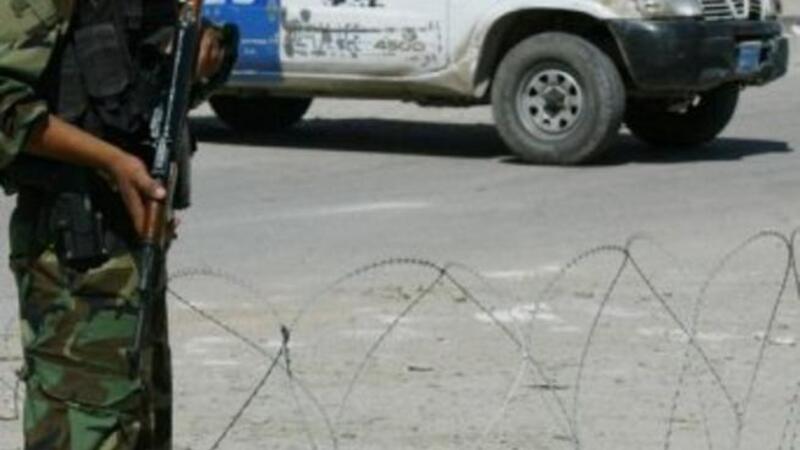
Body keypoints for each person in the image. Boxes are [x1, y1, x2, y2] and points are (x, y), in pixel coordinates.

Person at [0, 0, 234, 447]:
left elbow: (136, 99)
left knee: (139, 426)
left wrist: (202, 56)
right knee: (89, 430)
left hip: (134, 253)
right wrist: (111, 161)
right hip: (73, 256)